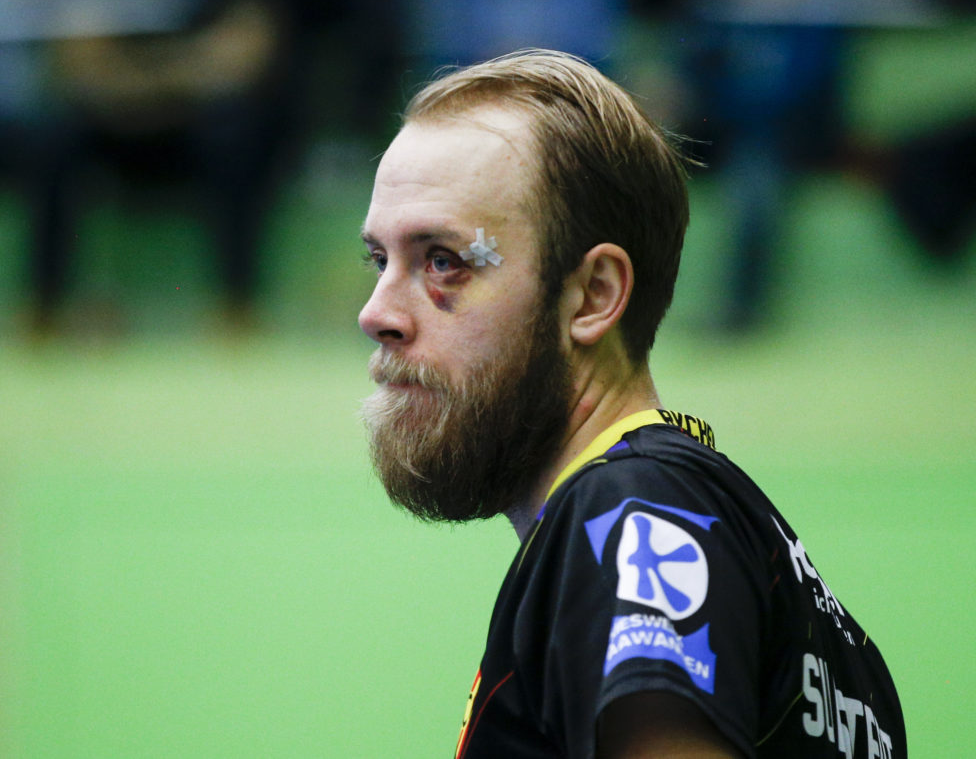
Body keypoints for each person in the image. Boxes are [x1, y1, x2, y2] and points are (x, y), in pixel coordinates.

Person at [356, 50, 904, 758]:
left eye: (442, 260)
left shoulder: (631, 514)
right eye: (380, 260)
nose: (377, 312)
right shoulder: (697, 516)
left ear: (594, 295)